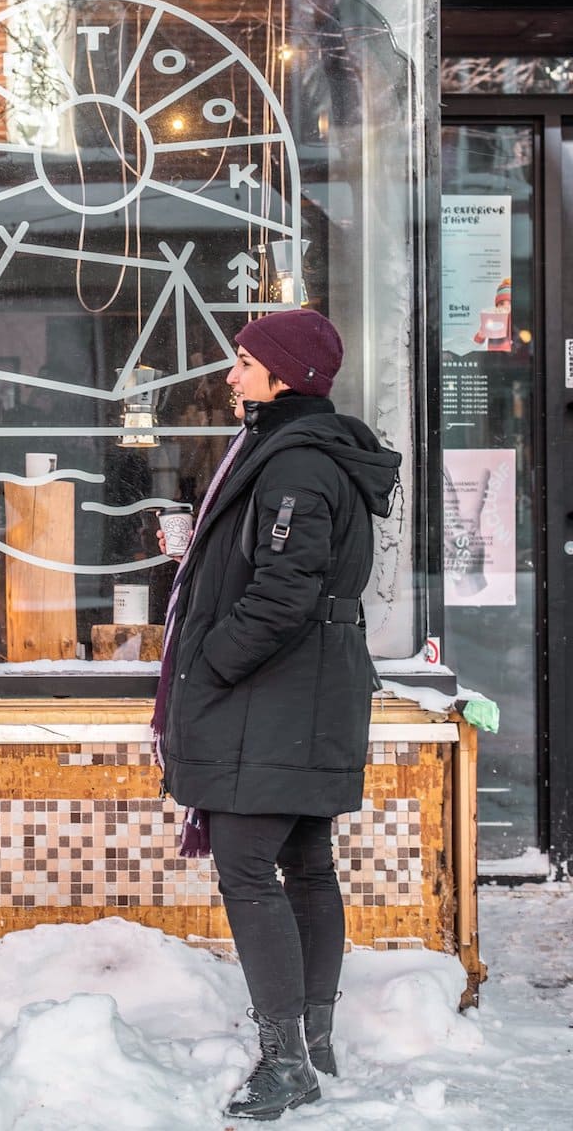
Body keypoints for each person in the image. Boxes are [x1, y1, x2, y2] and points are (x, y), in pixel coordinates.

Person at [152, 309, 401, 1121]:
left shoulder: (293, 464)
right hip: (306, 696)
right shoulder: (306, 454)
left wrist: (212, 662)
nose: (231, 374)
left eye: (244, 360)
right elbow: (280, 570)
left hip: (272, 696)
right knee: (304, 862)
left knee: (250, 868)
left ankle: (286, 1060)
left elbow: (284, 590)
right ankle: (312, 1040)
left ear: (285, 374)